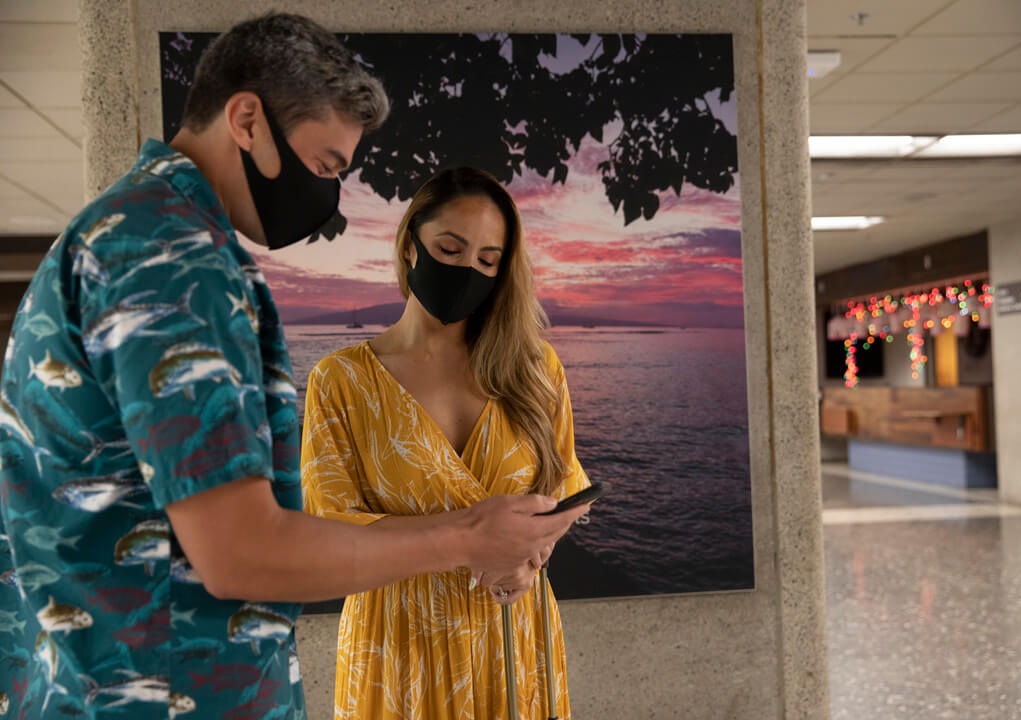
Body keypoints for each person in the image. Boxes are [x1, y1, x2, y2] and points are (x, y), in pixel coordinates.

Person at [0, 15, 584, 720]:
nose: (328, 195)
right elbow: (241, 552)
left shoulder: (122, 234)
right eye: (325, 165)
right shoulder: (172, 260)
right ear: (246, 118)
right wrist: (467, 540)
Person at [301, 167, 592, 719]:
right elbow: (327, 538)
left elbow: (561, 493)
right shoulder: (340, 381)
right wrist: (471, 541)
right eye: (450, 249)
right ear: (411, 244)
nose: (466, 270)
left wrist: (532, 554)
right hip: (398, 650)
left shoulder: (535, 369)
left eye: (486, 261)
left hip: (513, 640)